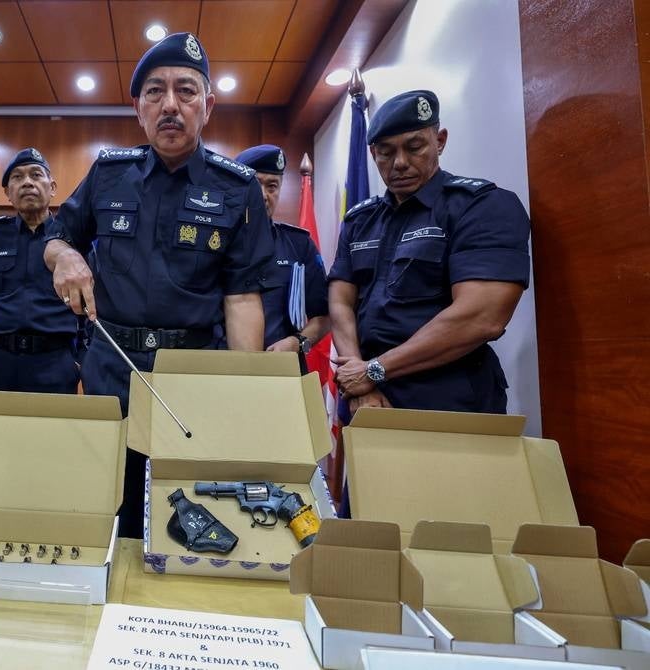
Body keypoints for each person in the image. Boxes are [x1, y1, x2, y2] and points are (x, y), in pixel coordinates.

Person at [43, 32, 273, 537]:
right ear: (137, 107)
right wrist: (65, 256)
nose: (171, 105)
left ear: (208, 105)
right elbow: (56, 237)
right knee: (108, 507)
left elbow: (242, 299)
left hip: (189, 373)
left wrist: (247, 393)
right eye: (155, 91)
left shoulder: (237, 189)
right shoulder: (108, 174)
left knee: (188, 509)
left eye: (186, 91)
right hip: (112, 371)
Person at [328, 90, 531, 415]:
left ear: (440, 140)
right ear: (372, 153)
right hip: (368, 399)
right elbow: (340, 300)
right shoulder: (360, 220)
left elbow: (482, 317)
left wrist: (373, 371)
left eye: (414, 146)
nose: (400, 163)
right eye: (385, 152)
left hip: (448, 401)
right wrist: (357, 380)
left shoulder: (481, 206)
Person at [0, 148, 80, 396]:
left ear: (52, 187)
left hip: (55, 364)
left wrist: (82, 359)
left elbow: (91, 303)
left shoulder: (74, 238)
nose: (28, 182)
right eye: (17, 177)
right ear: (8, 193)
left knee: (53, 435)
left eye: (36, 175)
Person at [236, 145, 330, 373]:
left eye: (272, 186)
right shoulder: (215, 244)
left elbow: (324, 316)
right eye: (255, 183)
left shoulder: (299, 245)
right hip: (224, 371)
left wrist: (297, 342)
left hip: (283, 372)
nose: (263, 195)